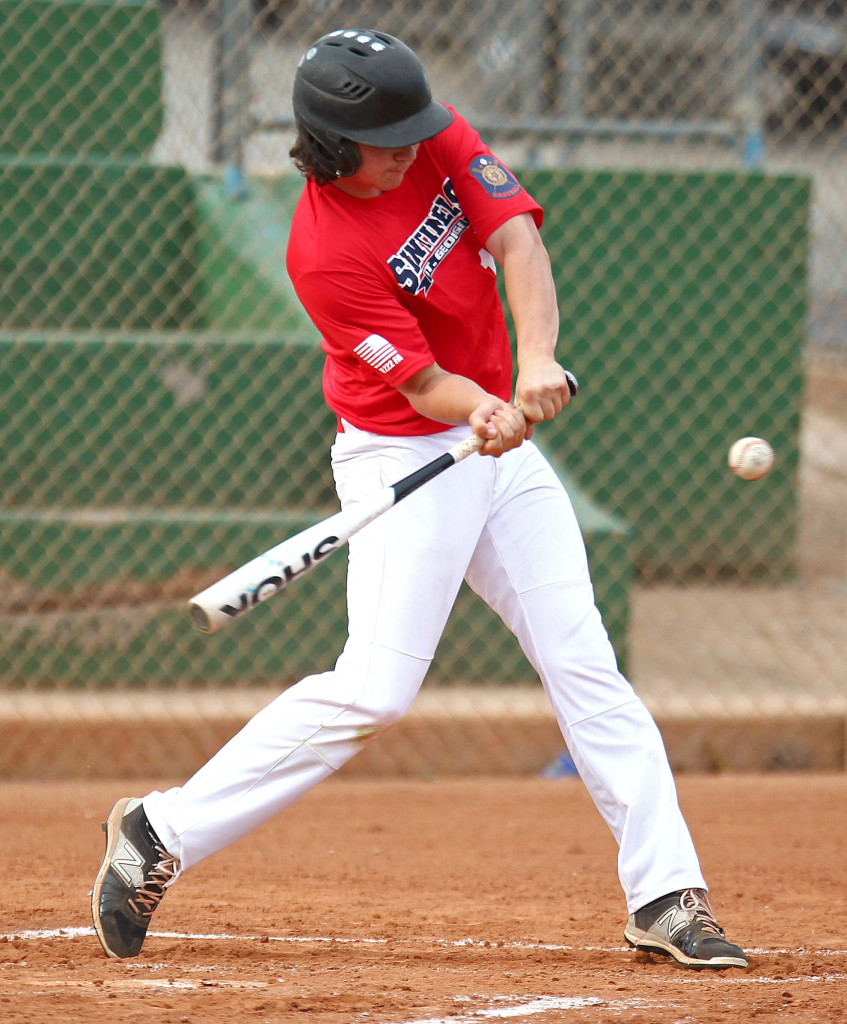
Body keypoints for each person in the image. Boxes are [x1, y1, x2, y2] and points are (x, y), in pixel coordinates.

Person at [91, 28, 747, 971]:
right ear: (327, 144)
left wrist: (533, 362)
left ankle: (665, 896)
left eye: (413, 128)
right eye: (385, 138)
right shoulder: (322, 252)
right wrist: (480, 405)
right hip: (401, 452)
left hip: (497, 446)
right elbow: (421, 387)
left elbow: (515, 240)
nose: (410, 146)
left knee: (583, 664)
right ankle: (160, 831)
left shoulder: (429, 134)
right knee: (375, 690)